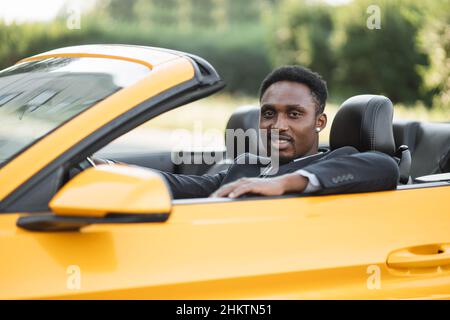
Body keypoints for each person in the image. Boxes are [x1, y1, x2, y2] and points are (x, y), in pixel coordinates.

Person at [157, 65, 400, 199]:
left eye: (294, 114)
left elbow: (385, 166)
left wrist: (284, 183)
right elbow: (184, 185)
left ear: (320, 122)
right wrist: (119, 171)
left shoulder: (341, 159)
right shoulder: (246, 166)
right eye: (269, 113)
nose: (278, 125)